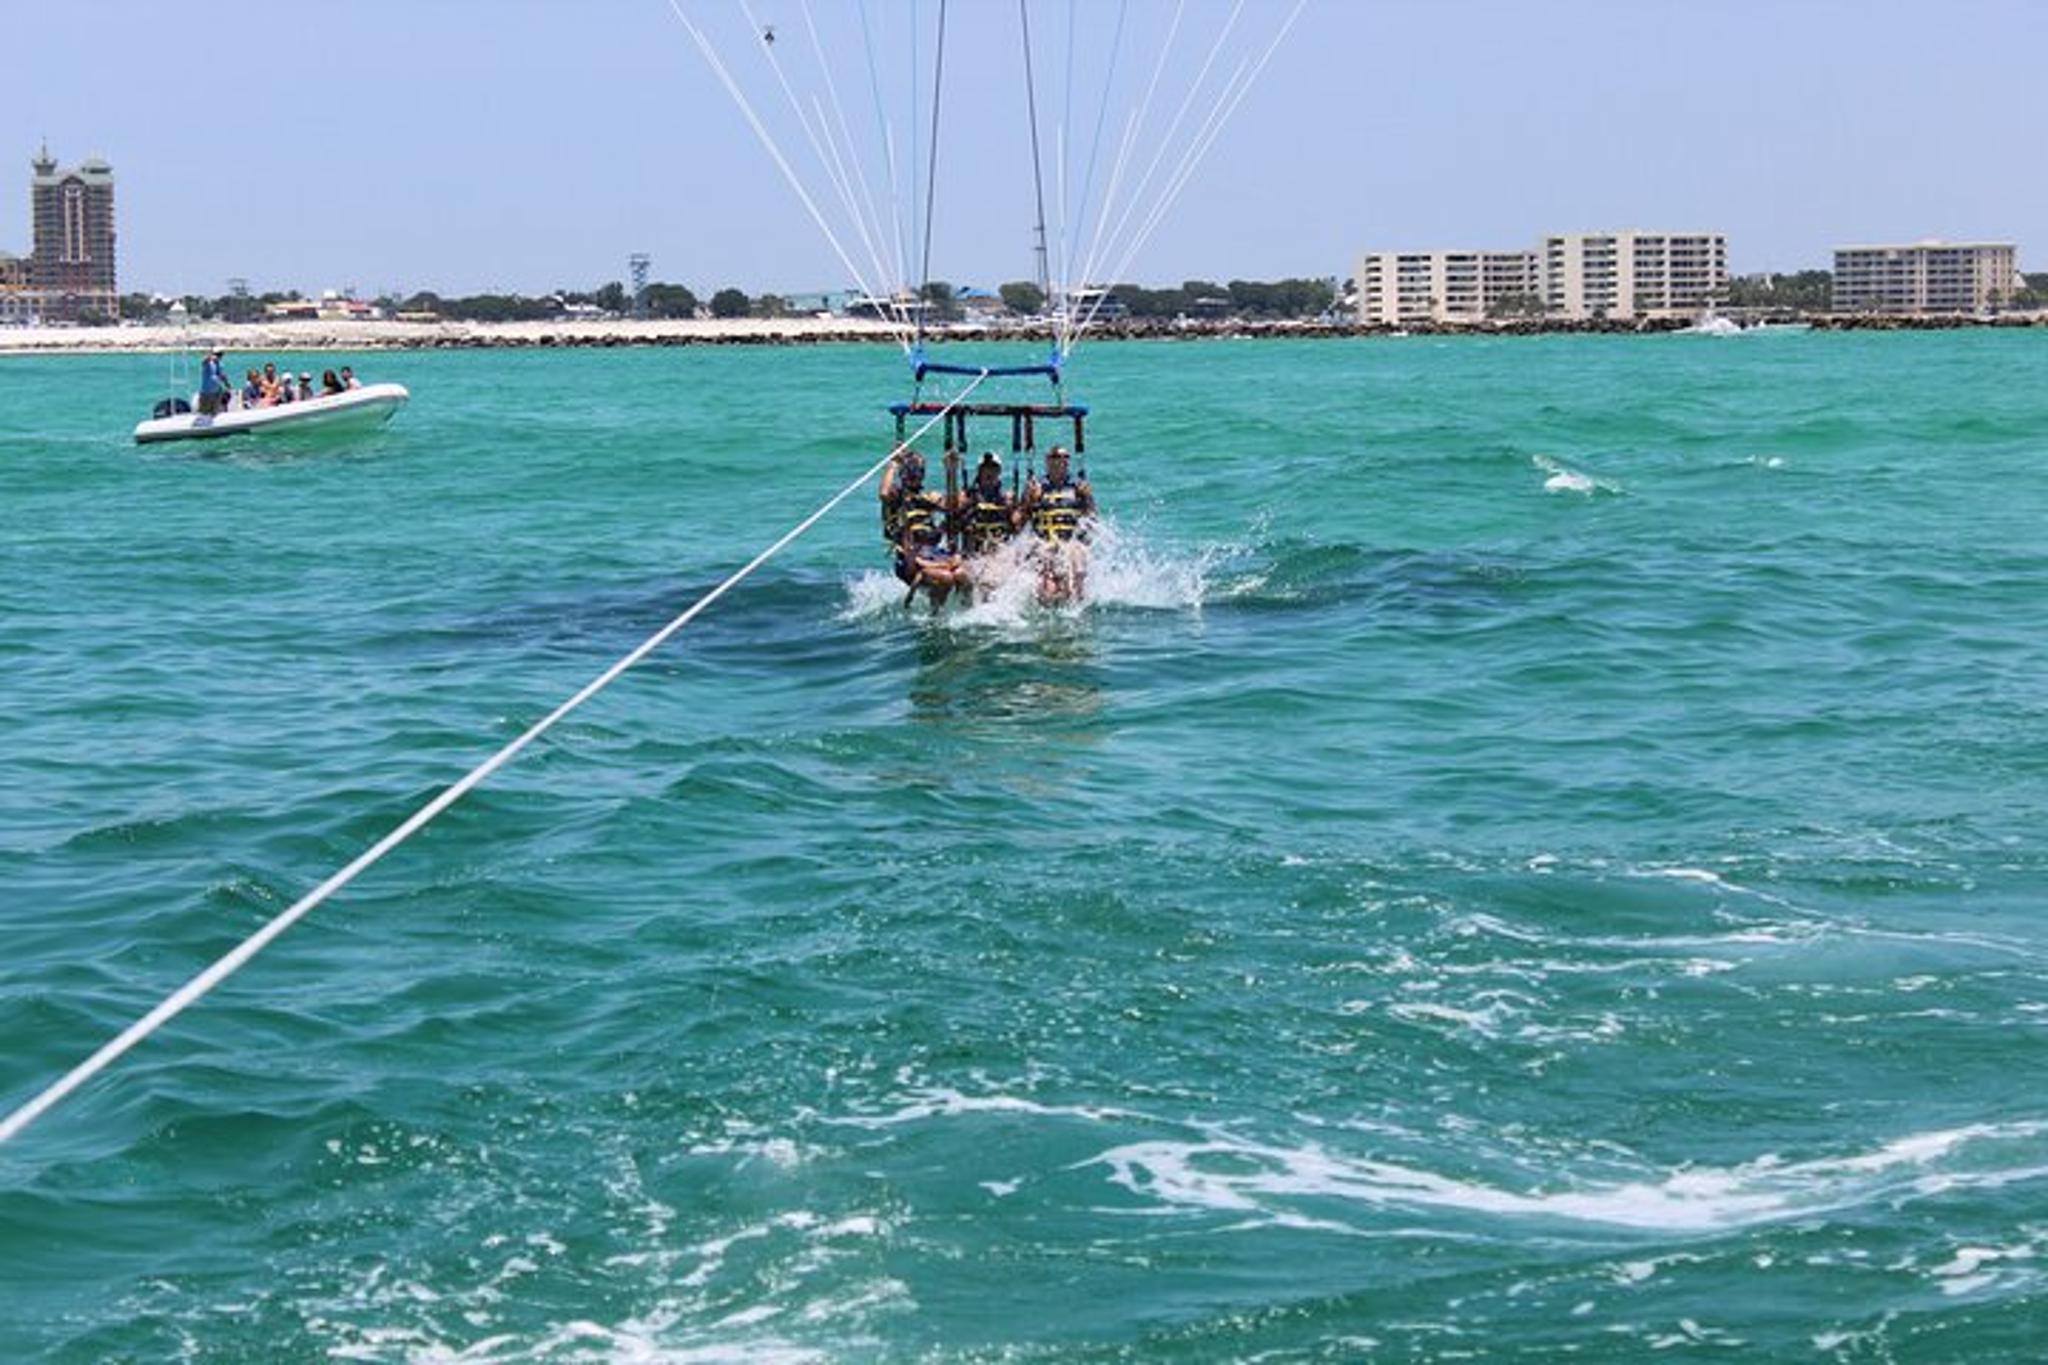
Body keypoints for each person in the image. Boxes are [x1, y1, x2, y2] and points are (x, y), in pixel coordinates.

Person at [1022, 445, 1096, 603]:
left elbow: (1091, 517)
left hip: (1070, 542)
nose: (1060, 461)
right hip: (1045, 543)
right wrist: (1030, 500)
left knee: (1077, 567)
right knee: (1049, 591)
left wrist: (1088, 498)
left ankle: (1078, 608)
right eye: (1056, 457)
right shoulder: (1037, 487)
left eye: (1064, 458)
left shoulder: (1078, 487)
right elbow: (1020, 521)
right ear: (1047, 461)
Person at [197, 350, 230, 415]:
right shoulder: (208, 363)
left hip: (216, 392)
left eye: (220, 355)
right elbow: (203, 362)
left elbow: (222, 375)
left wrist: (227, 384)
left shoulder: (220, 364)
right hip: (206, 392)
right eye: (218, 355)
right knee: (204, 413)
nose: (219, 357)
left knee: (215, 413)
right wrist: (209, 357)